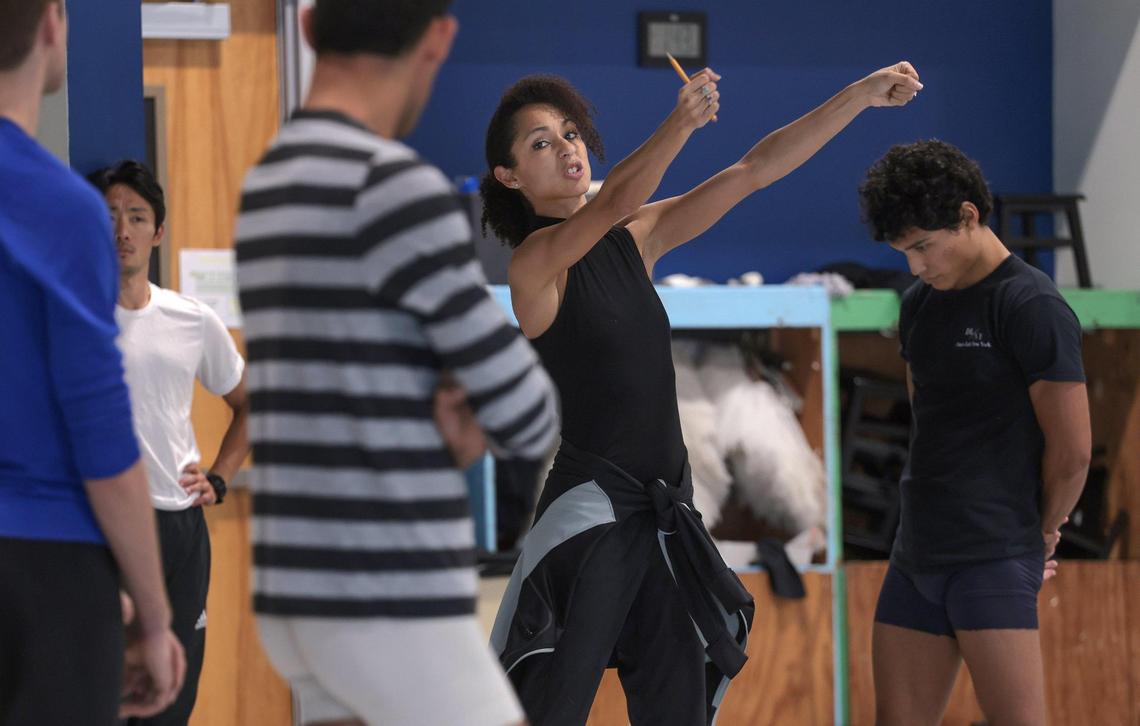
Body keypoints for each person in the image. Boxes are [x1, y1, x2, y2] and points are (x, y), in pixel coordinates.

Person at [482, 63, 922, 725]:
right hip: (592, 514)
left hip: (668, 516)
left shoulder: (636, 239)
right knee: (547, 708)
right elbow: (611, 199)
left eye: (570, 133)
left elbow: (755, 170)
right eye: (540, 143)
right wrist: (680, 124)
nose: (567, 148)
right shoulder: (532, 264)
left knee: (679, 709)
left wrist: (858, 96)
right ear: (509, 177)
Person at [234, 1, 559, 724]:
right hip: (387, 581)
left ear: (308, 27)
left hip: (293, 583)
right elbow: (527, 413)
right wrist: (460, 416)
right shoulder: (392, 186)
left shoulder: (269, 181)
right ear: (439, 38)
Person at [857, 139, 1091, 725]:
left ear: (967, 215)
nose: (915, 267)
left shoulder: (1030, 305)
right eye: (903, 253)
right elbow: (927, 421)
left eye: (923, 247)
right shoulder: (919, 305)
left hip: (993, 557)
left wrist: (1041, 534)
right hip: (916, 555)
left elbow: (1072, 452)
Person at [0, 1, 185, 723]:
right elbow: (102, 438)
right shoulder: (61, 207)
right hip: (44, 570)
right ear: (51, 24)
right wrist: (154, 616)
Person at [87, 159, 250, 725]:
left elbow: (250, 403)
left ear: (157, 232)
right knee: (102, 691)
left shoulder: (191, 318)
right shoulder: (73, 318)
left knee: (172, 698)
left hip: (179, 527)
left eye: (136, 217)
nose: (122, 230)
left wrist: (220, 476)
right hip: (100, 525)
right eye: (110, 215)